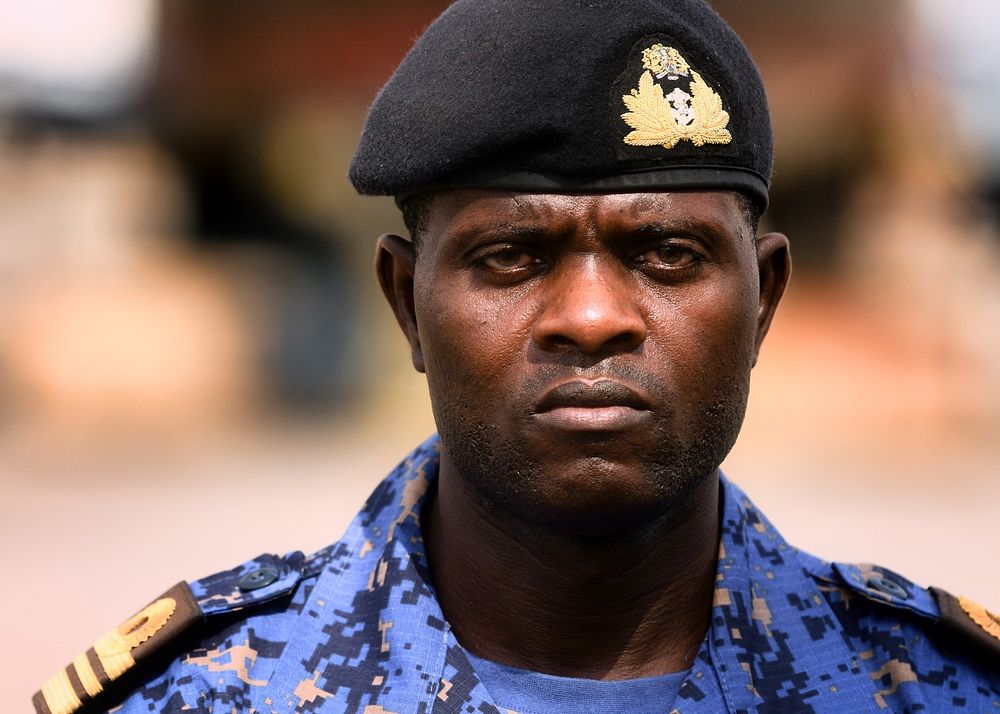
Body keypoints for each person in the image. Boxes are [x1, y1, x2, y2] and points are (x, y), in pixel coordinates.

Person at [34, 1, 999, 712]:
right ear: (406, 303)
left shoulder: (943, 690)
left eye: (667, 255)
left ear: (765, 300)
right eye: (511, 257)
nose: (589, 317)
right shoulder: (201, 695)